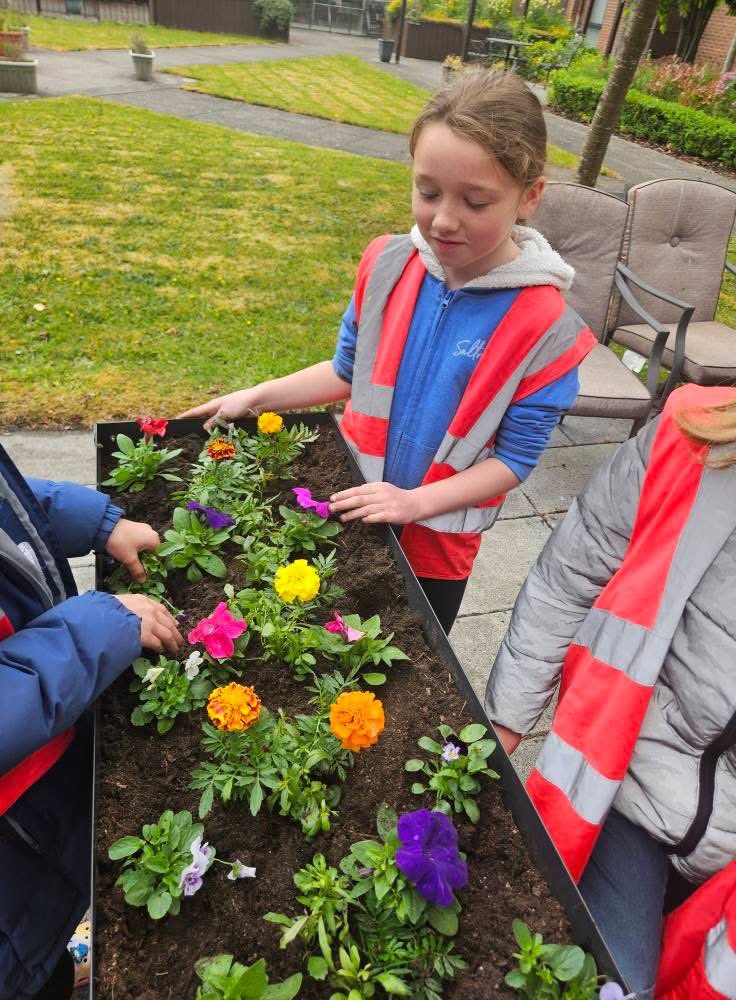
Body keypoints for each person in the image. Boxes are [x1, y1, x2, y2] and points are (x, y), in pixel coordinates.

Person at [179, 69, 595, 633]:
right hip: (349, 510)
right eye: (428, 192)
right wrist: (257, 395)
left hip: (436, 549)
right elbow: (347, 371)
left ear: (530, 197)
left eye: (476, 201)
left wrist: (415, 503)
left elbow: (514, 461)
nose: (443, 219)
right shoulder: (386, 264)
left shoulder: (547, 327)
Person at [485, 383, 736, 1000]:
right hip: (633, 790)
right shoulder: (696, 433)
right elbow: (574, 570)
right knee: (615, 982)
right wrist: (503, 722)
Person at [0, 441, 183, 999]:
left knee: (41, 952)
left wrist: (98, 522)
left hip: (37, 792)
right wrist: (98, 623)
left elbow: (10, 506)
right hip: (11, 846)